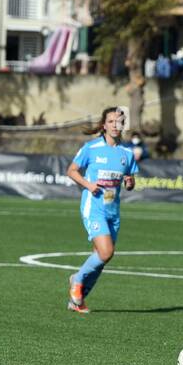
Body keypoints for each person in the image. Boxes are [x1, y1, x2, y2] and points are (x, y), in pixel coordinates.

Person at [66, 107, 137, 314]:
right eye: (112, 121)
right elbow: (71, 171)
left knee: (101, 257)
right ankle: (77, 280)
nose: (116, 125)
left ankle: (77, 300)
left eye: (119, 122)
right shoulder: (92, 148)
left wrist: (130, 182)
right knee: (106, 252)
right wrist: (88, 185)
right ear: (104, 125)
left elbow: (130, 183)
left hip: (112, 211)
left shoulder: (127, 154)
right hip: (93, 207)